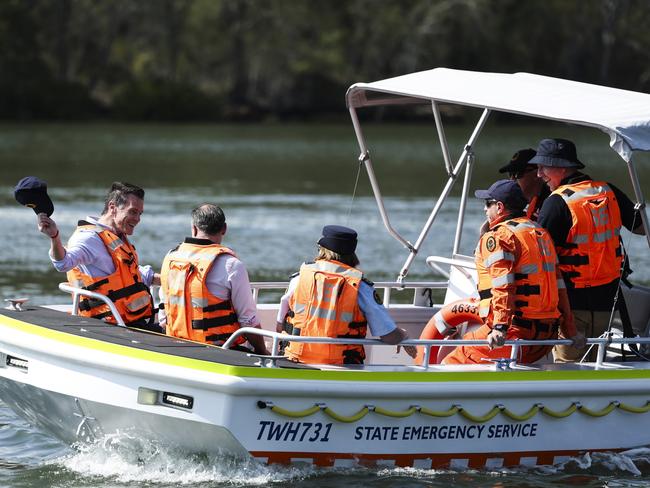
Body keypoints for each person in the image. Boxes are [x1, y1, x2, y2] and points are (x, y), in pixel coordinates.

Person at [443, 179, 582, 365]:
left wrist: (500, 327)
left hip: (515, 334)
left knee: (450, 362)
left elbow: (503, 286)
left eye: (488, 204)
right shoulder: (540, 233)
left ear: (499, 207)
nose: (485, 209)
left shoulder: (499, 237)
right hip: (544, 339)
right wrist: (570, 330)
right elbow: (560, 288)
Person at [530, 138, 645, 362]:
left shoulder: (556, 203)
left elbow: (539, 259)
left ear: (561, 167)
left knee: (567, 369)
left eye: (543, 167)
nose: (539, 174)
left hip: (572, 308)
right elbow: (641, 228)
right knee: (594, 364)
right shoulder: (608, 190)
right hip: (607, 304)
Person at [277, 225, 417, 365]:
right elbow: (388, 335)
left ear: (321, 249)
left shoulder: (300, 277)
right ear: (352, 253)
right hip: (342, 366)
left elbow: (280, 325)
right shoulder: (360, 287)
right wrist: (403, 336)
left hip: (294, 361)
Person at [37, 182, 158, 330]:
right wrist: (54, 237)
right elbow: (63, 263)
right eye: (133, 212)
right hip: (109, 326)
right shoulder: (88, 238)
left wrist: (170, 279)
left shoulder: (116, 236)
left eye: (140, 213)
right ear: (113, 208)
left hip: (132, 320)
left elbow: (131, 275)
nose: (138, 219)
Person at [160, 204, 269, 355]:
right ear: (224, 229)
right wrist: (263, 351)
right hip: (218, 351)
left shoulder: (171, 257)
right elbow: (248, 320)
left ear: (194, 228)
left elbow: (164, 307)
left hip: (174, 345)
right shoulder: (231, 265)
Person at [498, 148, 550, 221]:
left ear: (536, 173)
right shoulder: (517, 202)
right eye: (510, 174)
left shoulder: (550, 202)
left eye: (517, 174)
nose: (512, 179)